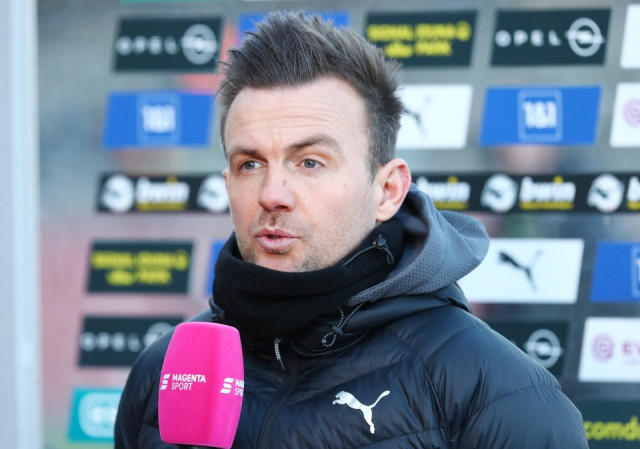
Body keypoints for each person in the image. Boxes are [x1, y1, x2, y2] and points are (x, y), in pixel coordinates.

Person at [114, 11, 588, 448]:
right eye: (250, 164)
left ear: (387, 191)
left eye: (310, 162)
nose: (272, 193)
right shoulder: (163, 372)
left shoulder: (496, 393)